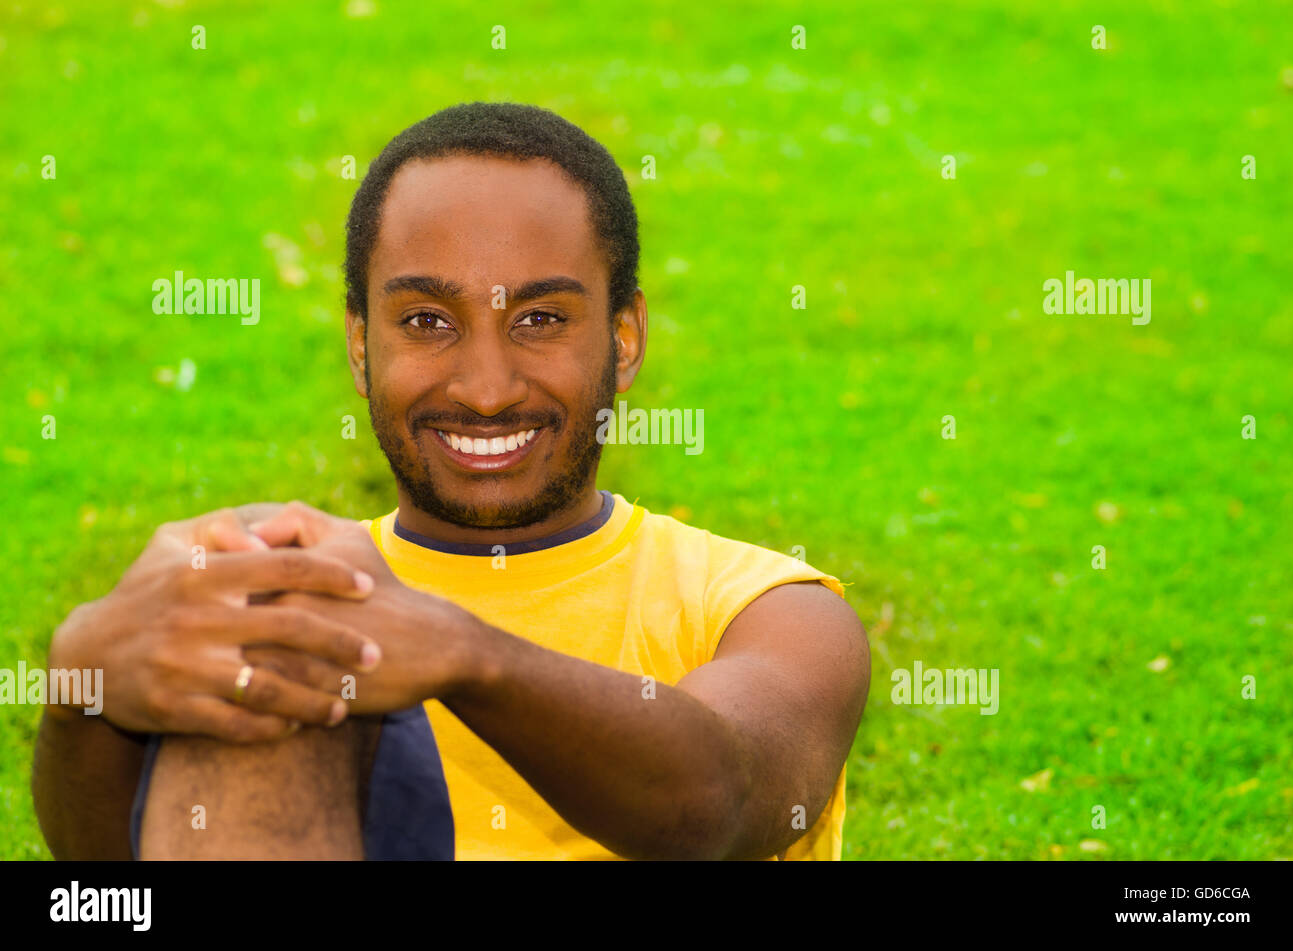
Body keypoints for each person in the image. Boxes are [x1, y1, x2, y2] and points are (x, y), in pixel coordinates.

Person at [32, 102, 870, 860]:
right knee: (274, 618)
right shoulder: (299, 585)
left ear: (627, 337)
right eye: (428, 321)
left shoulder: (772, 609)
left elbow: (719, 804)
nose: (485, 386)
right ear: (361, 345)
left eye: (541, 320)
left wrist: (468, 656)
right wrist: (84, 693)